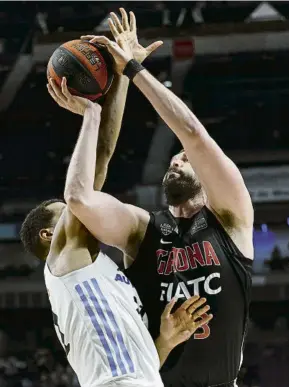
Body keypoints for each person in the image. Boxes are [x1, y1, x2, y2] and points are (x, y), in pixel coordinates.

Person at [20, 29, 212, 387]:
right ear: (50, 234)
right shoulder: (64, 259)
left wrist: (164, 342)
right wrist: (97, 107)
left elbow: (138, 367)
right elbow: (94, 172)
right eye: (66, 210)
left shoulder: (93, 272)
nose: (81, 208)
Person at [74, 8, 254, 387]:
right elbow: (82, 200)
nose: (177, 159)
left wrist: (134, 71)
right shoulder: (142, 229)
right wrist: (99, 107)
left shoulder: (231, 216)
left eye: (185, 159)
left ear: (207, 178)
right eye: (173, 159)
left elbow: (192, 133)